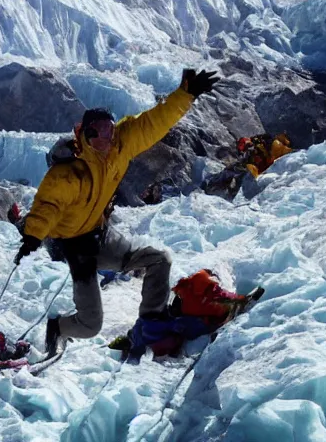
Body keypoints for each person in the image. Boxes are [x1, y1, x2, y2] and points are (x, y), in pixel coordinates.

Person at [15, 69, 219, 357]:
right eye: (100, 132)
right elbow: (48, 205)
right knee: (90, 325)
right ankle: (57, 327)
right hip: (77, 248)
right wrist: (33, 235)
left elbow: (153, 122)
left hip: (102, 236)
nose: (108, 138)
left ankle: (152, 323)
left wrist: (186, 94)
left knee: (158, 260)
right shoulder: (68, 172)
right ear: (85, 134)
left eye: (110, 130)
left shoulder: (120, 148)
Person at [109, 270, 261, 360]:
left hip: (184, 321)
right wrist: (243, 301)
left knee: (155, 325)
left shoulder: (186, 288)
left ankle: (129, 344)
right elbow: (229, 298)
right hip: (198, 321)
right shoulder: (209, 290)